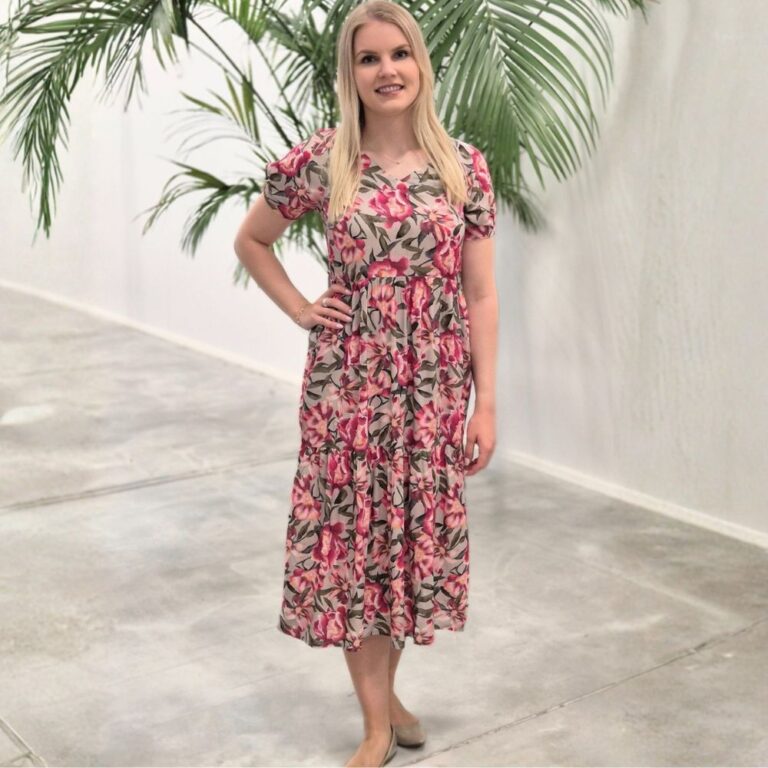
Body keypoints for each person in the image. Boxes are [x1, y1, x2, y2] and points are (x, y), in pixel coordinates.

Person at [233, 1, 498, 765]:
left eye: (399, 54)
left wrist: (486, 402)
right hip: (348, 391)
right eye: (369, 58)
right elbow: (252, 240)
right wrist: (300, 308)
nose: (387, 71)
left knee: (407, 548)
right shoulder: (326, 161)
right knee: (355, 549)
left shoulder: (463, 166)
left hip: (433, 392)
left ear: (420, 64)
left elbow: (481, 293)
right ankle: (376, 724)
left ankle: (388, 697)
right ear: (350, 73)